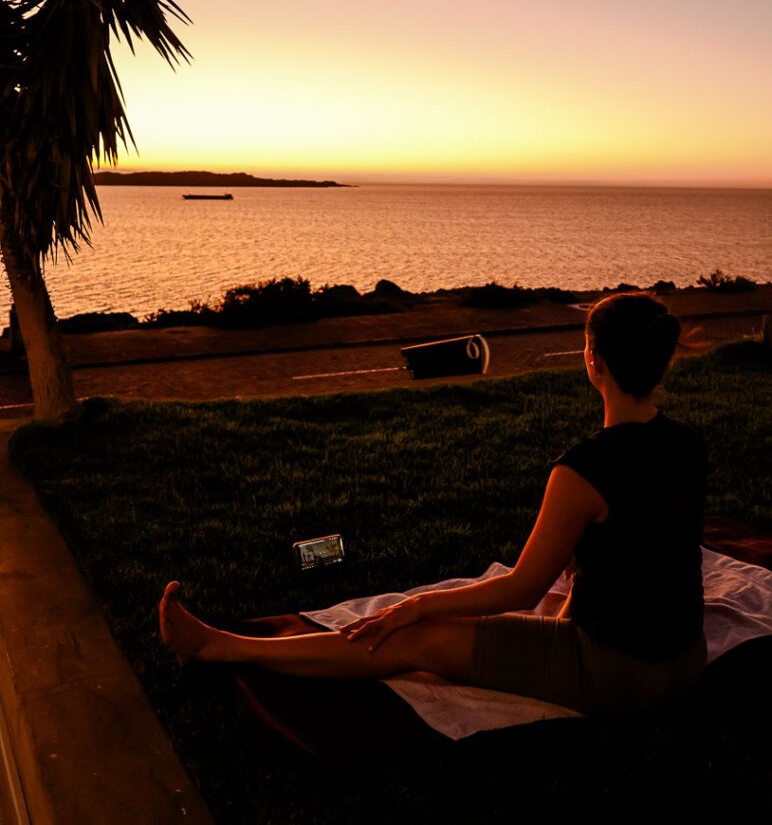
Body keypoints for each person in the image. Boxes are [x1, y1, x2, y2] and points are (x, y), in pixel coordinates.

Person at [159, 291, 708, 716]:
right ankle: (222, 644)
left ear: (593, 360)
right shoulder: (690, 445)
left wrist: (418, 605)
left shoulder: (583, 469)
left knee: (405, 638)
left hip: (616, 676)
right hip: (686, 662)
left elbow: (523, 589)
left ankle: (219, 646)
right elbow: (644, 547)